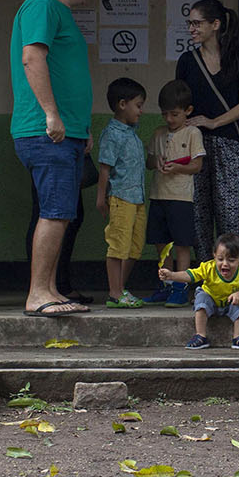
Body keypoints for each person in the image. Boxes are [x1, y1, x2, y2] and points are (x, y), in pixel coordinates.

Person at [12, 0, 96, 318]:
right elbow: (32, 56)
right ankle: (38, 293)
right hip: (47, 132)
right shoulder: (41, 5)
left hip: (65, 133)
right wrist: (51, 114)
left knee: (60, 212)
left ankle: (48, 288)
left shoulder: (55, 11)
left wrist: (81, 127)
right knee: (56, 211)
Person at [176, 0, 239, 254]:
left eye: (197, 23)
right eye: (190, 23)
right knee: (199, 214)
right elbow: (180, 103)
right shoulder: (187, 61)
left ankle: (236, 280)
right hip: (195, 145)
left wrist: (213, 122)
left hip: (229, 143)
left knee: (230, 214)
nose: (192, 29)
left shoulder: (238, 59)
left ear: (216, 24)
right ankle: (203, 280)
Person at [145, 79, 204, 308]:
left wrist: (179, 167)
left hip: (181, 198)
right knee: (161, 244)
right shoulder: (159, 133)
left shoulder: (192, 133)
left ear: (188, 111)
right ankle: (165, 285)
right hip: (158, 195)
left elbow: (197, 165)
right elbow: (149, 161)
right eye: (165, 114)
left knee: (181, 244)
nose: (169, 119)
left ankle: (181, 289)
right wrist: (155, 161)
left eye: (175, 114)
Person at [96, 77, 150, 308]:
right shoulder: (112, 134)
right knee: (118, 246)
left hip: (137, 199)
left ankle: (120, 289)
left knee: (134, 247)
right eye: (138, 105)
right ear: (122, 104)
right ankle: (115, 293)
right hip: (120, 198)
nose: (141, 110)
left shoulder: (132, 133)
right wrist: (101, 197)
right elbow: (105, 168)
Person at [160, 231, 239, 350]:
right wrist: (172, 275)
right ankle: (200, 336)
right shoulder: (208, 267)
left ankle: (238, 337)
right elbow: (190, 275)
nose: (225, 264)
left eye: (231, 260)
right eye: (220, 259)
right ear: (214, 256)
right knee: (201, 297)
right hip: (210, 301)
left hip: (230, 304)